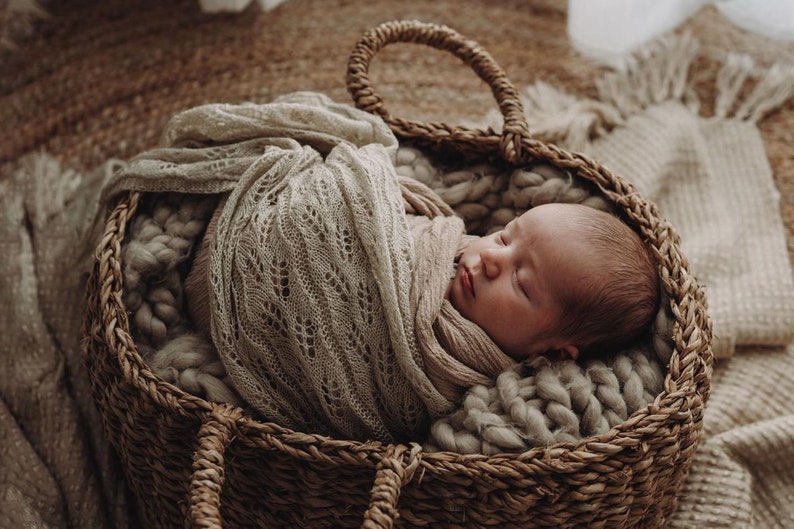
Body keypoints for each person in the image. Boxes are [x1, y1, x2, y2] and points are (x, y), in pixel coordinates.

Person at [447, 202, 660, 364]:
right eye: (504, 238)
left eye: (519, 282)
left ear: (552, 354)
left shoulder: (455, 375)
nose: (488, 256)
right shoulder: (445, 242)